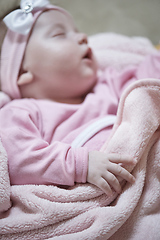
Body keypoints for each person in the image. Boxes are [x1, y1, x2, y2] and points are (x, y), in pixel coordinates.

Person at [2, 0, 159, 196]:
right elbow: (19, 160)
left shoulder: (106, 84)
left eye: (77, 30)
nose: (83, 36)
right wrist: (80, 165)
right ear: (22, 71)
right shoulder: (20, 111)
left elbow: (148, 87)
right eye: (59, 34)